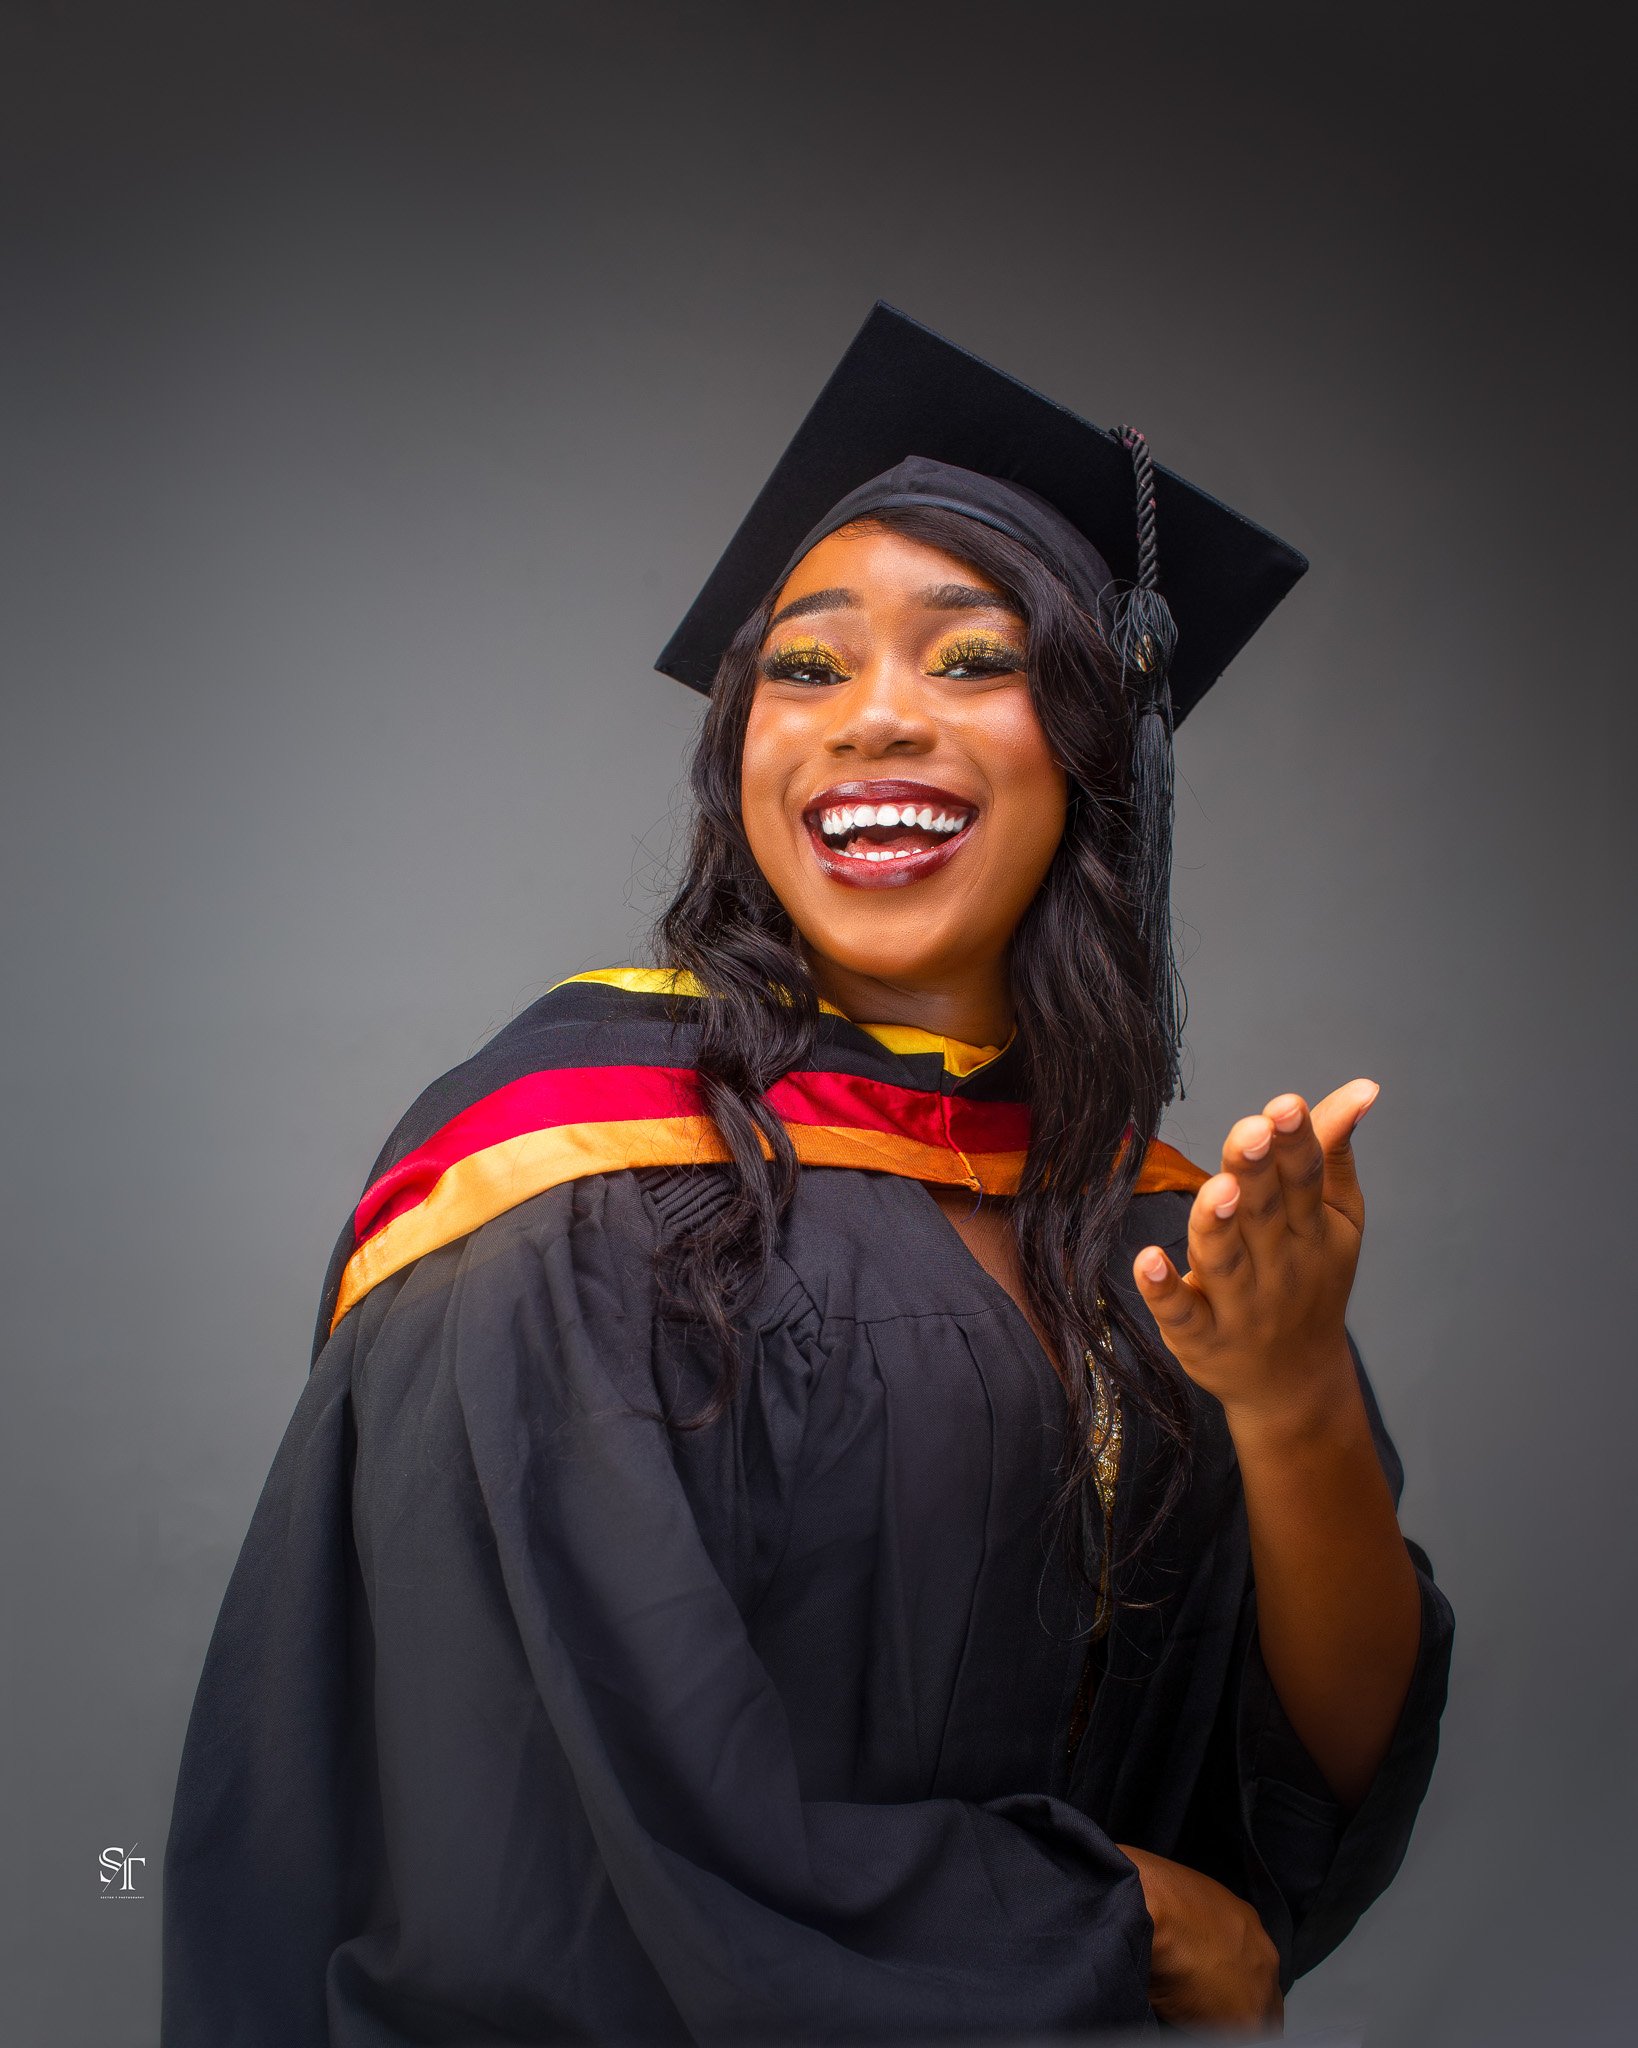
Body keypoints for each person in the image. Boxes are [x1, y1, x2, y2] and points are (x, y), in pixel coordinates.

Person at [162, 304, 1453, 2044]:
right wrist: (1100, 1916)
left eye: (974, 660)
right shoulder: (569, 1172)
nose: (874, 719)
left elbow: (1308, 1785)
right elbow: (541, 1842)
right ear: (741, 749)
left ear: (1086, 746)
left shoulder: (1160, 1224)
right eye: (806, 664)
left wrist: (1291, 1402)